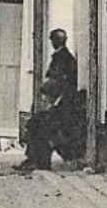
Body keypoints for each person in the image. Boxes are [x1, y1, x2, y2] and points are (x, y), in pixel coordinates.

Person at [19, 29, 80, 171]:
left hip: (61, 105)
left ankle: (38, 161)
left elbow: (58, 82)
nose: (53, 43)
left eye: (53, 40)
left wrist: (49, 96)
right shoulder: (63, 56)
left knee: (38, 126)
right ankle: (34, 159)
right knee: (36, 124)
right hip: (58, 104)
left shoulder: (62, 58)